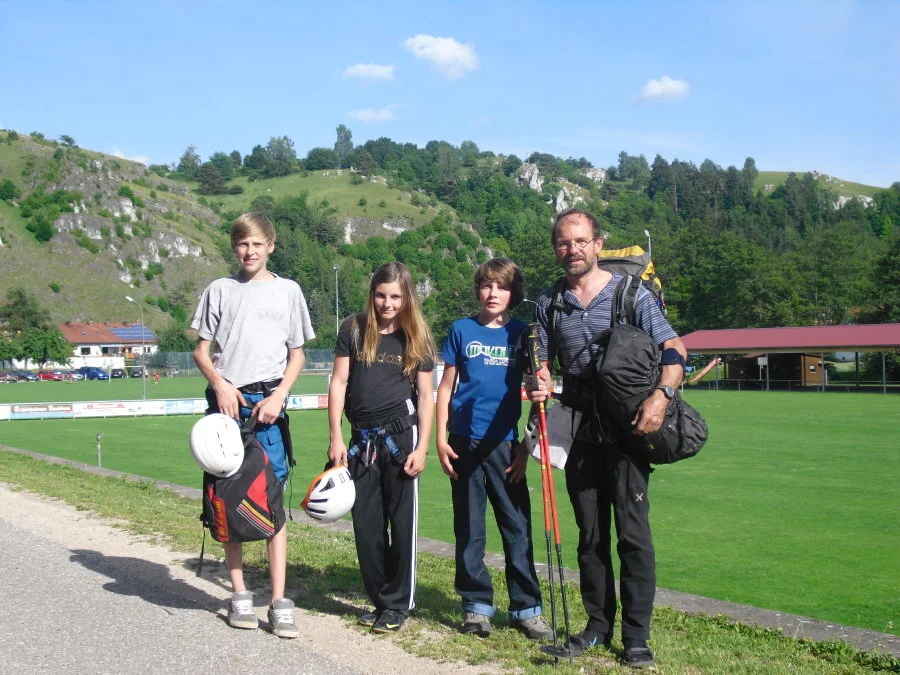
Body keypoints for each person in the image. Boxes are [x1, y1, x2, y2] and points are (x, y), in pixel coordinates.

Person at [527, 209, 686, 669]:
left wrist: (661, 396)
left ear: (599, 244)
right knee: (590, 536)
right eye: (562, 243)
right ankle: (597, 627)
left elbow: (674, 348)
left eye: (580, 241)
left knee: (633, 536)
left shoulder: (630, 294)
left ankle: (636, 639)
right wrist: (539, 377)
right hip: (579, 428)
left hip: (629, 427)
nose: (571, 250)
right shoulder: (549, 302)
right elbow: (544, 360)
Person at [191, 211, 315, 639]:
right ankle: (239, 594)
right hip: (228, 405)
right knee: (228, 497)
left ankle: (279, 602)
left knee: (273, 502)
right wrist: (220, 385)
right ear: (235, 247)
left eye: (257, 244)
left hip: (270, 405)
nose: (249, 251)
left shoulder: (289, 292)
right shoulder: (219, 290)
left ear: (271, 246)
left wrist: (280, 395)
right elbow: (202, 351)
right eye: (243, 244)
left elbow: (297, 354)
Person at [435, 258, 554, 641]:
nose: (492, 293)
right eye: (486, 286)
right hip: (463, 442)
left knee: (516, 527)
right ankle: (476, 606)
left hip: (506, 446)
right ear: (478, 290)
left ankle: (527, 609)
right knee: (469, 528)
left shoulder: (525, 335)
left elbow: (540, 393)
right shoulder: (461, 330)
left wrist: (527, 448)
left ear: (512, 293)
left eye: (501, 287)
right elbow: (445, 387)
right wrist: (440, 438)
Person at [327, 262, 435, 634]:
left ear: (406, 298)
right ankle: (379, 600)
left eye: (395, 296)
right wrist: (336, 436)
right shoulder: (354, 330)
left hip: (401, 441)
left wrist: (421, 449)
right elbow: (339, 383)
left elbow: (425, 396)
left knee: (402, 525)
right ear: (372, 294)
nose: (387, 303)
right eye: (380, 295)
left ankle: (397, 604)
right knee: (367, 527)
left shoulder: (416, 336)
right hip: (360, 441)